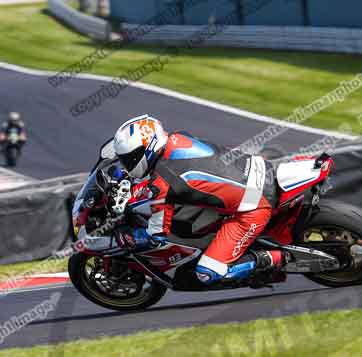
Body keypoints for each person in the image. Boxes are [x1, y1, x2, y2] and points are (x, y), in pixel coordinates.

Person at [111, 114, 286, 285]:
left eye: (129, 159)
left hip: (255, 206)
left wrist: (129, 237)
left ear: (146, 150)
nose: (127, 164)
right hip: (259, 168)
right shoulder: (178, 138)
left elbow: (156, 236)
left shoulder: (163, 184)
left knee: (206, 273)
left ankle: (276, 258)